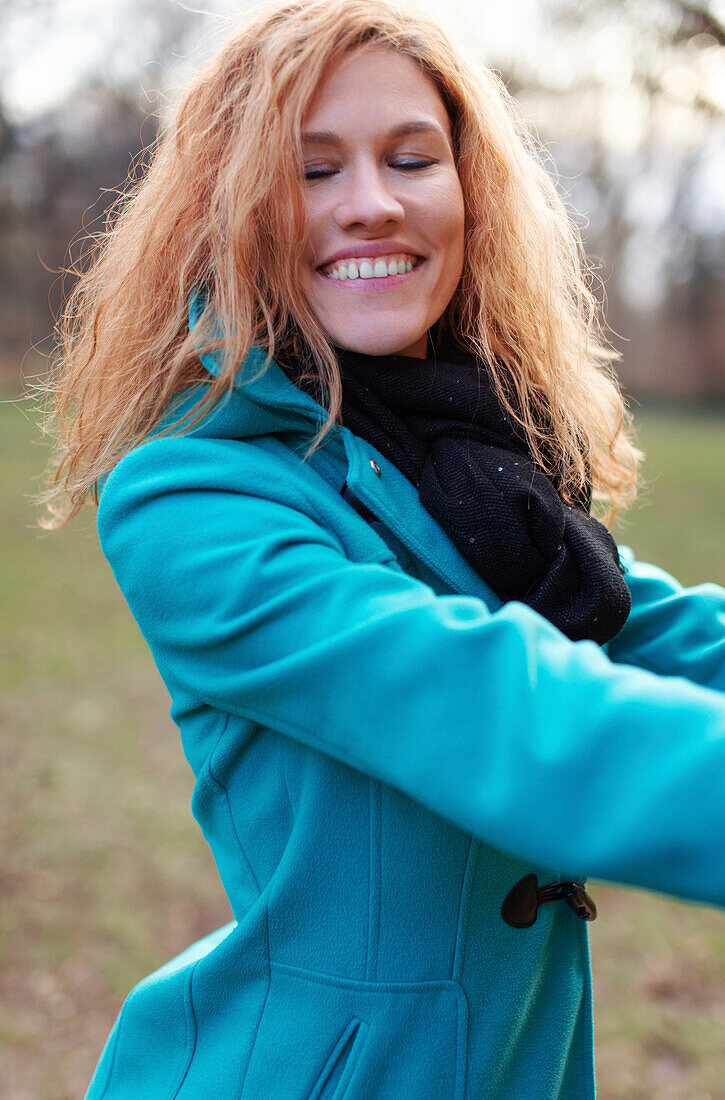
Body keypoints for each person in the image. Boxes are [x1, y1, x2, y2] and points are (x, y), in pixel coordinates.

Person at [39, 0, 725, 1096]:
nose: (372, 204)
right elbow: (488, 699)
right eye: (311, 171)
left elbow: (656, 627)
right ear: (231, 209)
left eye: (412, 157)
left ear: (467, 190)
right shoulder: (189, 495)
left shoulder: (468, 463)